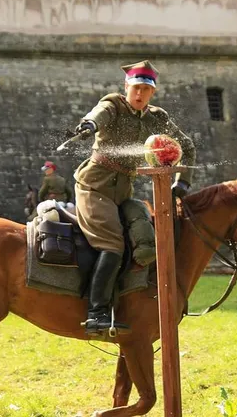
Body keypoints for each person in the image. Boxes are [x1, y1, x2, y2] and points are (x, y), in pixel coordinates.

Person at [73, 60, 196, 333]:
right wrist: (89, 125)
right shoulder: (113, 105)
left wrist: (182, 184)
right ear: (126, 87)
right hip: (94, 188)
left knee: (144, 239)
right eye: (135, 88)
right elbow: (99, 113)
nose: (139, 94)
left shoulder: (158, 118)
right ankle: (96, 313)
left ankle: (133, 303)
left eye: (145, 89)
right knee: (113, 246)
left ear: (153, 92)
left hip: (123, 194)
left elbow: (186, 146)